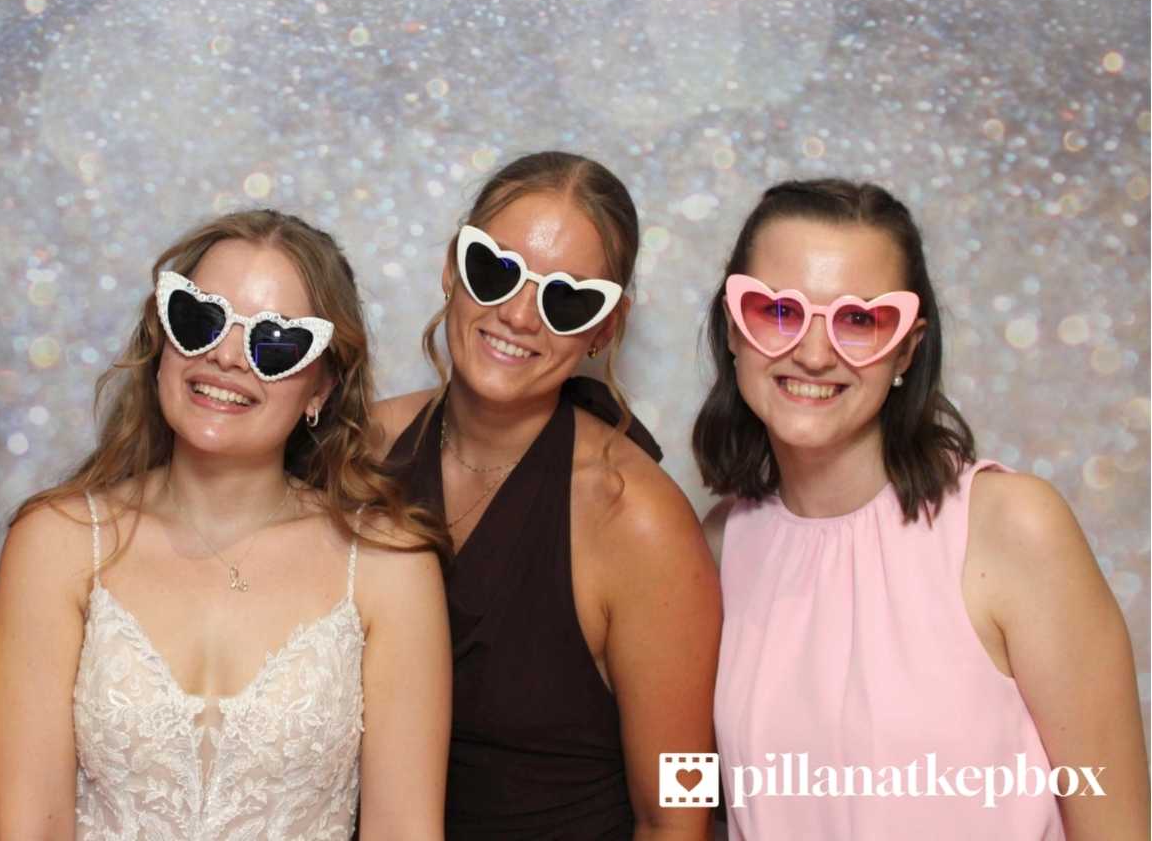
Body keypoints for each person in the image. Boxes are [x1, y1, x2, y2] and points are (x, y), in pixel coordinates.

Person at [695, 178, 1150, 840]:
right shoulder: (719, 546)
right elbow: (690, 795)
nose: (814, 354)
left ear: (907, 348)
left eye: (860, 320)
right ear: (734, 329)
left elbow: (1116, 828)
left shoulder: (1011, 527)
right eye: (779, 310)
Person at [0, 209, 451, 840]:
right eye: (199, 319)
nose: (226, 356)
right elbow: (32, 830)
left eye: (275, 342)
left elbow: (403, 830)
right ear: (162, 343)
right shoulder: (56, 542)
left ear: (321, 387)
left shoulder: (388, 566)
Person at [373, 151, 720, 840]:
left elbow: (683, 808)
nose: (518, 314)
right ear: (451, 268)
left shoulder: (641, 521)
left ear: (605, 327)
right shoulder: (358, 454)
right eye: (494, 270)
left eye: (566, 299)